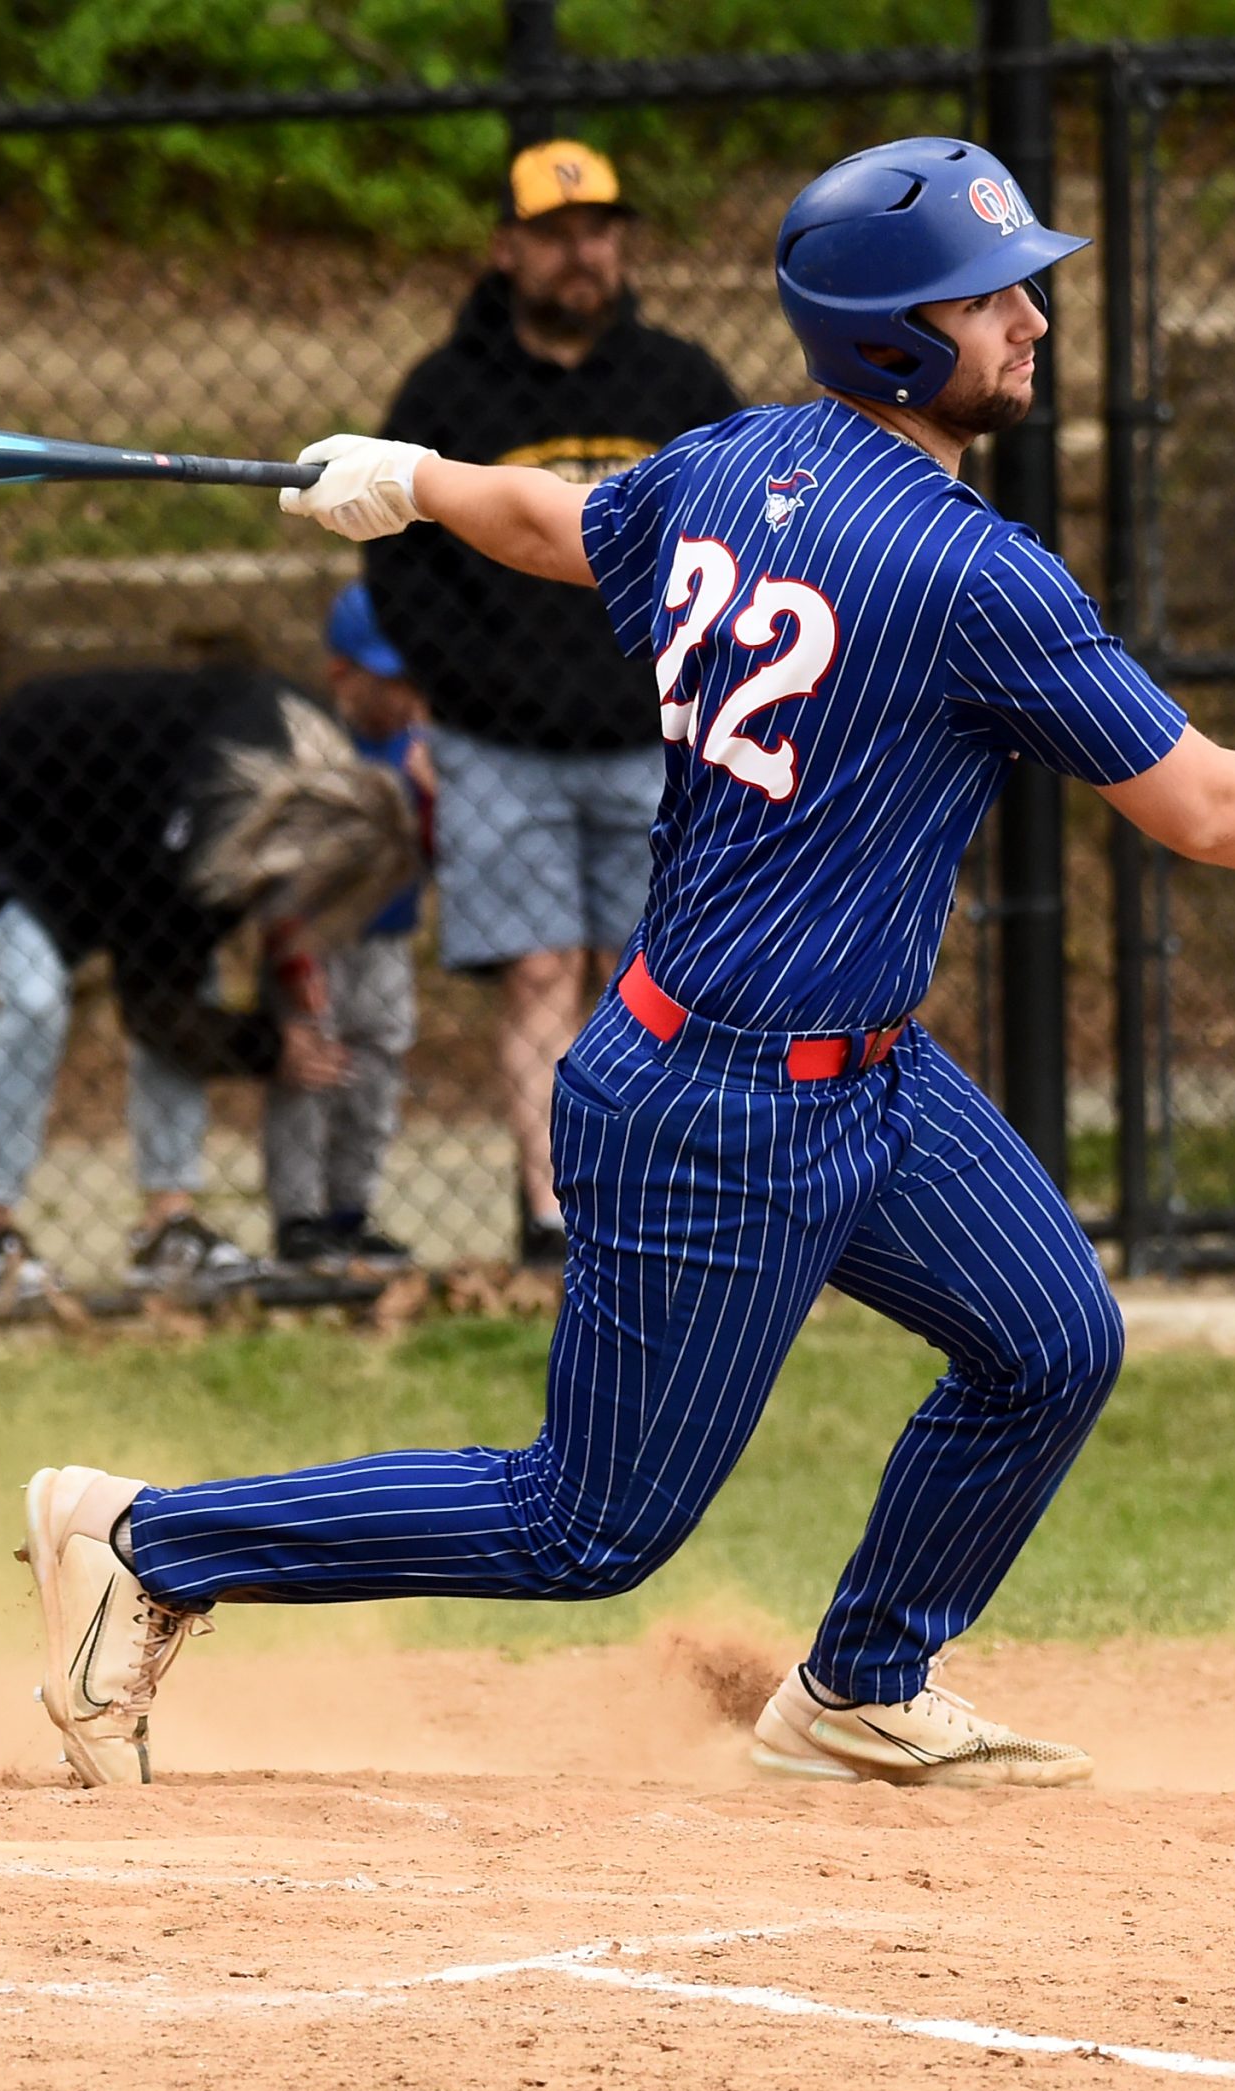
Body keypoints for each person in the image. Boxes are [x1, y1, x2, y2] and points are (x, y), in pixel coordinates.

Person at [18, 137, 1235, 1791]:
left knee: (1052, 1340)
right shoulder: (972, 575)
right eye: (992, 297)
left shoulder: (732, 463)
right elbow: (1203, 806)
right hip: (719, 1105)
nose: (1033, 320)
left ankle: (858, 1683)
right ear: (896, 338)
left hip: (865, 1076)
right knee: (584, 1525)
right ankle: (151, 1542)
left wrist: (414, 475)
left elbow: (557, 524)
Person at [364, 140, 738, 1265]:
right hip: (498, 743)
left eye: (603, 229)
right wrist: (472, 688)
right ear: (507, 246)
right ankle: (552, 1212)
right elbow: (402, 570)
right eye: (560, 232)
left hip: (654, 742)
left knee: (658, 980)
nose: (587, 251)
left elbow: (745, 537)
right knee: (536, 970)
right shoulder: (448, 393)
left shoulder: (680, 383)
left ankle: (653, 1205)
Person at [0, 665, 417, 1306]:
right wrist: (268, 1047)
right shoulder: (215, 827)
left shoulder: (302, 779)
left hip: (122, 827)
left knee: (185, 968)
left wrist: (287, 958)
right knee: (37, 1002)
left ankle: (168, 1225)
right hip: (22, 808)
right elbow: (153, 1009)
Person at [265, 585, 432, 1272]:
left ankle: (350, 1210)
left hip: (388, 937)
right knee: (313, 1070)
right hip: (315, 939)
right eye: (392, 683)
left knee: (375, 1069)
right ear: (343, 675)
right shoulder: (311, 746)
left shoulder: (425, 751)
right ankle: (299, 1218)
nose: (407, 698)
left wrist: (432, 799)